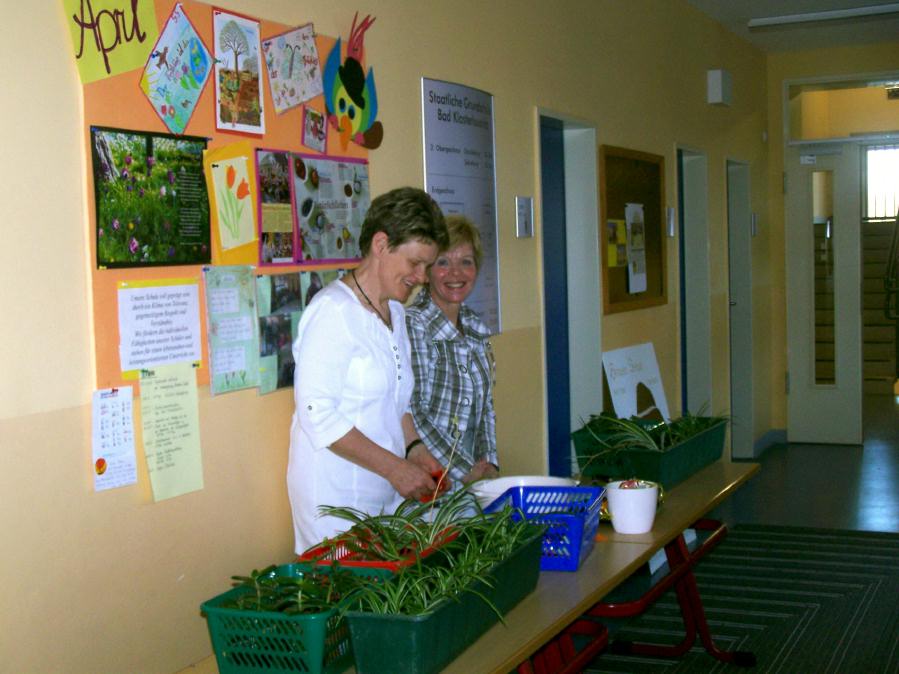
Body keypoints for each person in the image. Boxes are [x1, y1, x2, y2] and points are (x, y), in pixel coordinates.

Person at [287, 187, 449, 553]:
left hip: (384, 495)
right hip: (336, 502)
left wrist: (414, 449)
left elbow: (396, 399)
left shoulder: (397, 314)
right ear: (381, 244)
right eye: (415, 263)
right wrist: (395, 469)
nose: (422, 277)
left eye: (427, 266)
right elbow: (317, 413)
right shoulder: (333, 312)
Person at [406, 214, 499, 490]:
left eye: (466, 262)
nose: (456, 273)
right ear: (427, 271)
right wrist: (465, 470)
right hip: (431, 482)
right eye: (443, 262)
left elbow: (486, 409)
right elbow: (412, 411)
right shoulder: (414, 326)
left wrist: (489, 464)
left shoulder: (475, 328)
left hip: (475, 479)